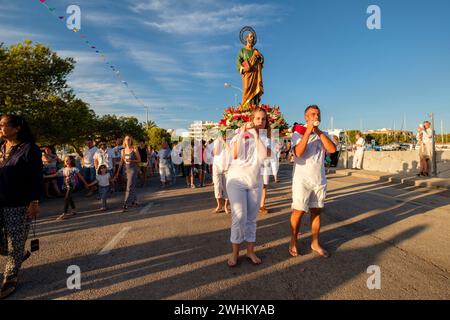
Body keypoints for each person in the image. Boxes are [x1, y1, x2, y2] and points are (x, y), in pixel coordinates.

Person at [0, 115, 42, 299]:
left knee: (15, 241)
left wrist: (34, 202)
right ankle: (18, 253)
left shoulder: (29, 149)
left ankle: (10, 277)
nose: (0, 128)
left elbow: (36, 177)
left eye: (3, 125)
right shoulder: (1, 148)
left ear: (16, 128)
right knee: (11, 245)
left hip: (17, 203)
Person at [226, 108, 271, 267]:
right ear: (251, 119)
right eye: (257, 118)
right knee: (239, 218)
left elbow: (265, 156)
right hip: (236, 180)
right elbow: (235, 154)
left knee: (251, 219)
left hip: (255, 182)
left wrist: (256, 135)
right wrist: (242, 133)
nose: (260, 122)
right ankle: (235, 253)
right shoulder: (237, 132)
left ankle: (250, 251)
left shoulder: (265, 137)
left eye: (263, 119)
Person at [289, 105, 336, 259]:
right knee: (299, 211)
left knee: (316, 211)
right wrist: (308, 131)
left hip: (319, 179)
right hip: (302, 179)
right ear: (306, 118)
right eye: (312, 114)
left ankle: (315, 242)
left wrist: (319, 132)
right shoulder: (298, 133)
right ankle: (293, 241)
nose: (316, 117)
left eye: (318, 114)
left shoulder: (324, 134)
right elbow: (298, 153)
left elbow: (332, 149)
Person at [45, 156, 89, 221]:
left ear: (71, 161)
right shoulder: (63, 169)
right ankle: (73, 209)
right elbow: (55, 175)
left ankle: (64, 214)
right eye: (65, 160)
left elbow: (81, 177)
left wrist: (86, 184)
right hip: (65, 185)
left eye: (68, 160)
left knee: (66, 198)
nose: (66, 161)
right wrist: (45, 176)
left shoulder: (74, 169)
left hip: (71, 185)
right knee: (69, 197)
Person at [237, 30, 264, 106]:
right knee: (246, 88)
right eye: (251, 36)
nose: (252, 38)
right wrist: (240, 67)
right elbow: (239, 61)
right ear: (246, 38)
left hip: (256, 72)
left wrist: (259, 57)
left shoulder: (255, 51)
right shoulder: (242, 50)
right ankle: (245, 107)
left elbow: (261, 60)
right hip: (247, 73)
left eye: (253, 37)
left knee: (256, 90)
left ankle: (254, 105)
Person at [115, 136, 141, 211]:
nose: (128, 140)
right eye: (126, 139)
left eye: (129, 139)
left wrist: (131, 161)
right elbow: (121, 161)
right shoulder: (122, 151)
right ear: (124, 141)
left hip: (133, 169)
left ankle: (125, 204)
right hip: (125, 170)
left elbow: (139, 160)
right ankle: (135, 201)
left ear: (131, 141)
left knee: (129, 186)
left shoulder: (134, 149)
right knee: (131, 186)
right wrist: (117, 172)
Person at [212, 136, 230, 214]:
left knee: (227, 187)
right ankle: (219, 205)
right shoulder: (216, 140)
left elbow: (231, 151)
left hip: (228, 166)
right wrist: (219, 141)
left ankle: (226, 206)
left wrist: (223, 141)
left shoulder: (231, 140)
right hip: (217, 165)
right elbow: (215, 152)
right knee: (217, 186)